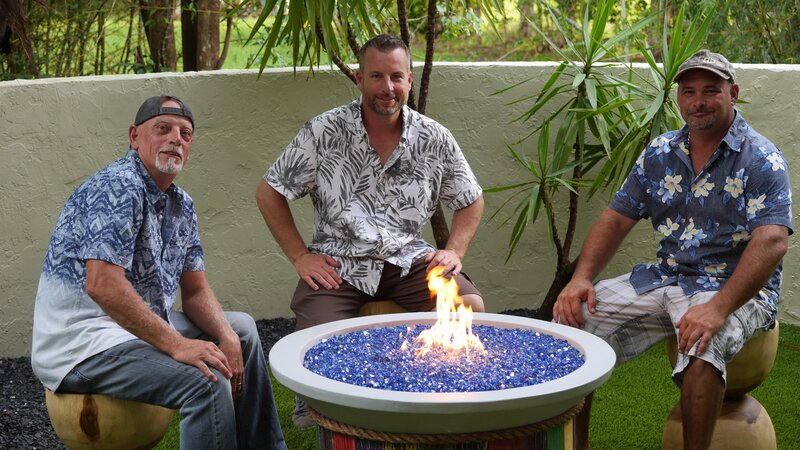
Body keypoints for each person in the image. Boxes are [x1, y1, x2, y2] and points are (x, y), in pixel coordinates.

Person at [555, 49, 792, 450]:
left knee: (703, 347)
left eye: (711, 90)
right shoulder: (661, 152)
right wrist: (580, 279)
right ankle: (576, 445)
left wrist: (717, 309)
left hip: (730, 287)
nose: (698, 101)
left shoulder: (761, 159)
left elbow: (772, 242)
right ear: (678, 98)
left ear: (733, 93)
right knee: (571, 325)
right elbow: (616, 218)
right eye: (689, 91)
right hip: (666, 277)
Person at [31, 95, 287, 450]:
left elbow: (195, 291)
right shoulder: (119, 186)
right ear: (134, 136)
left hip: (126, 331)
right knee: (206, 381)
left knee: (241, 329)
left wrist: (225, 336)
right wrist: (178, 345)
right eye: (162, 129)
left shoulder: (181, 204)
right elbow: (102, 285)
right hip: (81, 343)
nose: (175, 139)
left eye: (185, 134)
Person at [255, 34, 485, 427]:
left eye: (396, 77)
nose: (388, 88)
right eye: (377, 76)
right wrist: (300, 256)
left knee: (471, 308)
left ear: (409, 80)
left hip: (408, 259)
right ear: (360, 78)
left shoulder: (434, 138)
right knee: (317, 343)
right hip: (339, 264)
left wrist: (455, 250)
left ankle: (440, 395)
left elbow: (471, 199)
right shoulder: (323, 131)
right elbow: (269, 192)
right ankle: (314, 406)